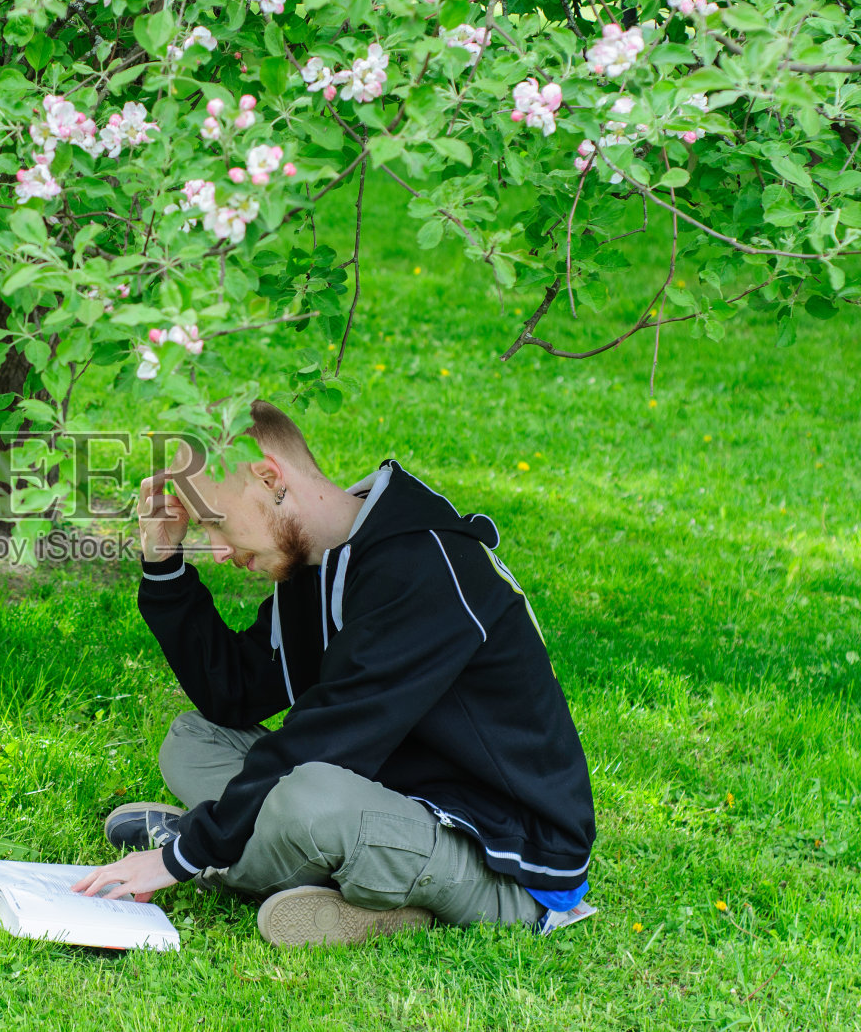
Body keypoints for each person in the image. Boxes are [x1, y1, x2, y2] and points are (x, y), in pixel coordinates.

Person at [71, 400, 597, 946]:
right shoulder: (319, 560)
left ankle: (216, 858)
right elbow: (233, 693)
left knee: (310, 796)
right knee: (193, 741)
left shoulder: (421, 564)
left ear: (270, 479)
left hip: (503, 857)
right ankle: (334, 883)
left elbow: (325, 743)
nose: (219, 550)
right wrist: (163, 564)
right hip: (387, 795)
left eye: (215, 522)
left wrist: (182, 857)